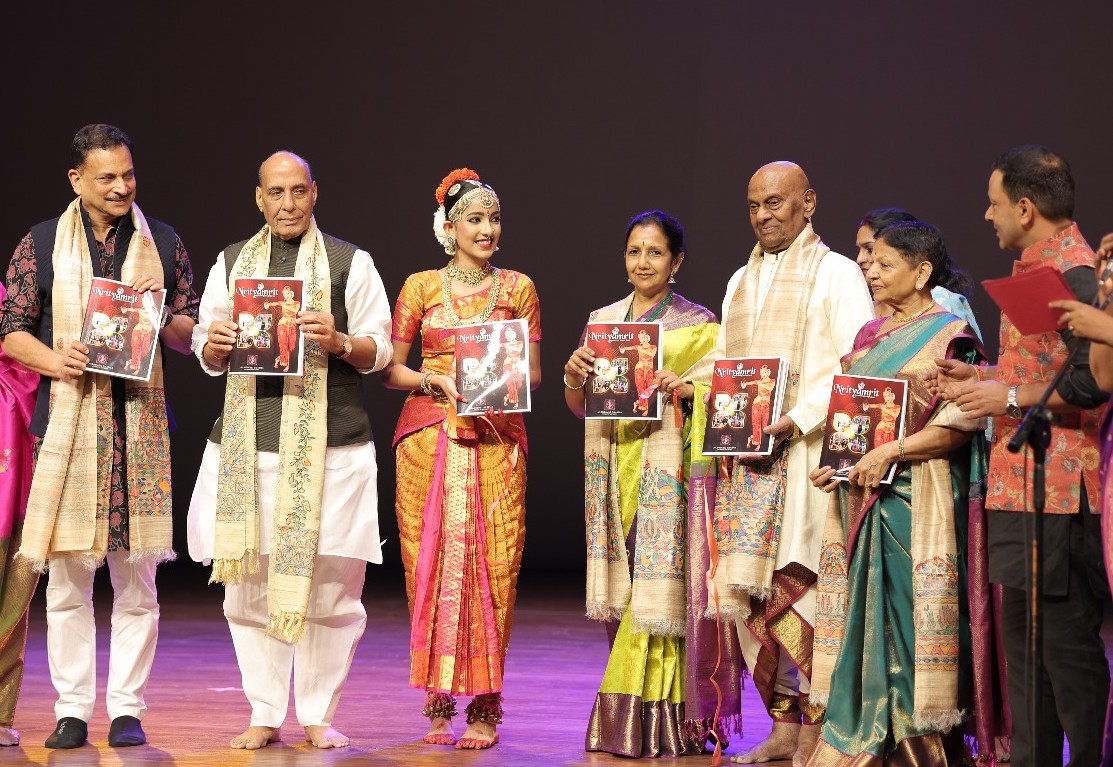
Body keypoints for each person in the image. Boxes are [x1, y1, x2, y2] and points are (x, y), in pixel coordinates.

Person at [0, 124, 198, 750]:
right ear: (76, 180)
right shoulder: (41, 243)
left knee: (137, 580)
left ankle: (127, 709)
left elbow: (187, 334)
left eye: (128, 175)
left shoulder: (162, 242)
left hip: (138, 428)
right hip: (67, 427)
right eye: (106, 176)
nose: (120, 186)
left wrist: (162, 310)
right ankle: (71, 710)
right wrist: (56, 361)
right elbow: (9, 330)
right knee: (67, 580)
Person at [187, 151, 391, 750]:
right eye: (275, 193)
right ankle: (264, 710)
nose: (287, 204)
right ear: (258, 198)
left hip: (334, 448)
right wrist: (214, 345)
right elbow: (204, 339)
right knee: (247, 586)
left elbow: (380, 350)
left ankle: (319, 713)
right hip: (247, 450)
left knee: (332, 590)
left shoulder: (350, 262)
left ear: (314, 193)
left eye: (298, 191)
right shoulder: (232, 263)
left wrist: (340, 340)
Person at [932, 145, 1110, 767]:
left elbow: (1094, 384)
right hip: (1021, 484)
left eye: (995, 203)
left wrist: (1005, 393)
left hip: (1062, 493)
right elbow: (1044, 371)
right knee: (1025, 648)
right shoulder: (1044, 265)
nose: (988, 215)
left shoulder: (1077, 272)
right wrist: (980, 378)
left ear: (1027, 208)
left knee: (1063, 647)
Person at [807, 221, 1003, 765]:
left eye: (884, 263)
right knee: (863, 618)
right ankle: (871, 731)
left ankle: (922, 745)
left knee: (914, 618)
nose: (870, 270)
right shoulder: (870, 336)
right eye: (869, 261)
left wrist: (890, 454)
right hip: (862, 497)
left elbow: (959, 423)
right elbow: (856, 423)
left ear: (921, 273)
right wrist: (837, 466)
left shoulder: (950, 334)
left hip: (920, 501)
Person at [703, 161, 874, 766]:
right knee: (754, 604)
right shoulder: (738, 281)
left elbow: (858, 363)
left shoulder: (837, 272)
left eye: (775, 203)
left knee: (802, 594)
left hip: (806, 461)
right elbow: (727, 361)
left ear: (808, 203)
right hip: (749, 467)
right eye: (753, 206)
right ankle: (781, 725)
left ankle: (815, 730)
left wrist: (796, 418)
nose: (763, 216)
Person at [563, 209, 742, 757]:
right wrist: (574, 377)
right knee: (624, 595)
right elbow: (580, 408)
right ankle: (640, 716)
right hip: (613, 470)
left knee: (663, 592)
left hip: (667, 475)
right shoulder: (605, 321)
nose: (643, 262)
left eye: (655, 252)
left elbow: (722, 399)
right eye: (635, 251)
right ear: (624, 259)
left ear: (676, 261)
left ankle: (675, 721)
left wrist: (685, 388)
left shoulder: (698, 324)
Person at [382, 168, 541, 750]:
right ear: (449, 228)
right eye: (475, 219)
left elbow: (535, 375)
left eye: (494, 219)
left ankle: (487, 707)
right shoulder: (420, 287)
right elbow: (392, 370)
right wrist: (434, 380)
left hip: (497, 440)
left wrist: (498, 379)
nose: (488, 229)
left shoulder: (518, 289)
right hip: (430, 439)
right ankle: (439, 699)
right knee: (430, 563)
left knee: (494, 563)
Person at [0, 284, 39, 747]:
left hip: (14, 443)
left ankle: (0, 711)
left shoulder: (10, 294)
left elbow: (25, 356)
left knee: (15, 582)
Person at [855, 208, 983, 341]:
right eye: (858, 250)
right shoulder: (865, 312)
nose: (860, 259)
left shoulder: (943, 307)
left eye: (869, 249)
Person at [262, 283, 300, 371]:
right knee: (283, 344)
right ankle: (286, 364)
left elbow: (295, 310)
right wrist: (268, 304)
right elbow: (274, 303)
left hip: (292, 325)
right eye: (284, 294)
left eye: (287, 294)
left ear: (291, 293)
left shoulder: (297, 303)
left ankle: (278, 358)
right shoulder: (282, 302)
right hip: (282, 324)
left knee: (291, 346)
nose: (285, 296)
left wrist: (284, 305)